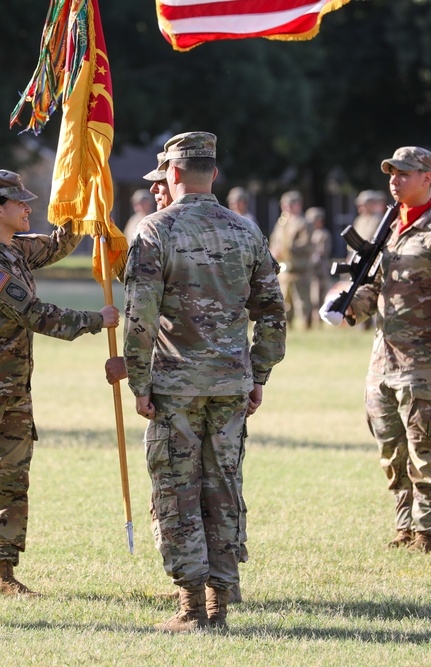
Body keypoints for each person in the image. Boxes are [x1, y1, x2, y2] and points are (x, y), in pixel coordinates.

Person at [122, 132, 286, 632]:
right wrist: (258, 374)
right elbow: (274, 314)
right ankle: (220, 600)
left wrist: (139, 382)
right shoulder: (247, 231)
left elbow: (139, 319)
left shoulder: (155, 230)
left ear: (171, 173)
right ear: (212, 173)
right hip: (231, 386)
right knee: (223, 487)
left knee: (177, 490)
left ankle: (192, 605)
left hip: (176, 387)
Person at [0, 169, 119, 597]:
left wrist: (83, 200)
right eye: (19, 203)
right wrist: (96, 321)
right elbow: (36, 315)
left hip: (15, 391)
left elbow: (59, 243)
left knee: (12, 479)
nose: (28, 208)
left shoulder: (16, 248)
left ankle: (0, 573)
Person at [320, 146, 431, 553]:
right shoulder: (388, 230)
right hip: (384, 359)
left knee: (425, 448)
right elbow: (375, 288)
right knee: (392, 449)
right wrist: (347, 309)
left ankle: (429, 532)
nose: (395, 180)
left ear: (426, 179)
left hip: (424, 362)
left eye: (405, 173)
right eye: (392, 173)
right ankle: (405, 526)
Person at [271, 190, 313, 330]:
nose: (286, 208)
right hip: (285, 269)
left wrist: (287, 248)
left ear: (298, 205)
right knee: (285, 300)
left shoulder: (303, 222)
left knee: (302, 301)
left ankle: (306, 326)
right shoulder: (281, 223)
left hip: (299, 269)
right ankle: (288, 325)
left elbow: (306, 244)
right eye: (284, 205)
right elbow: (274, 240)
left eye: (289, 204)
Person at [307, 206, 332, 318]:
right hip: (310, 270)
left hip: (320, 270)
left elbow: (322, 251)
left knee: (319, 297)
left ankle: (319, 319)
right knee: (312, 297)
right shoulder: (309, 233)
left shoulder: (323, 234)